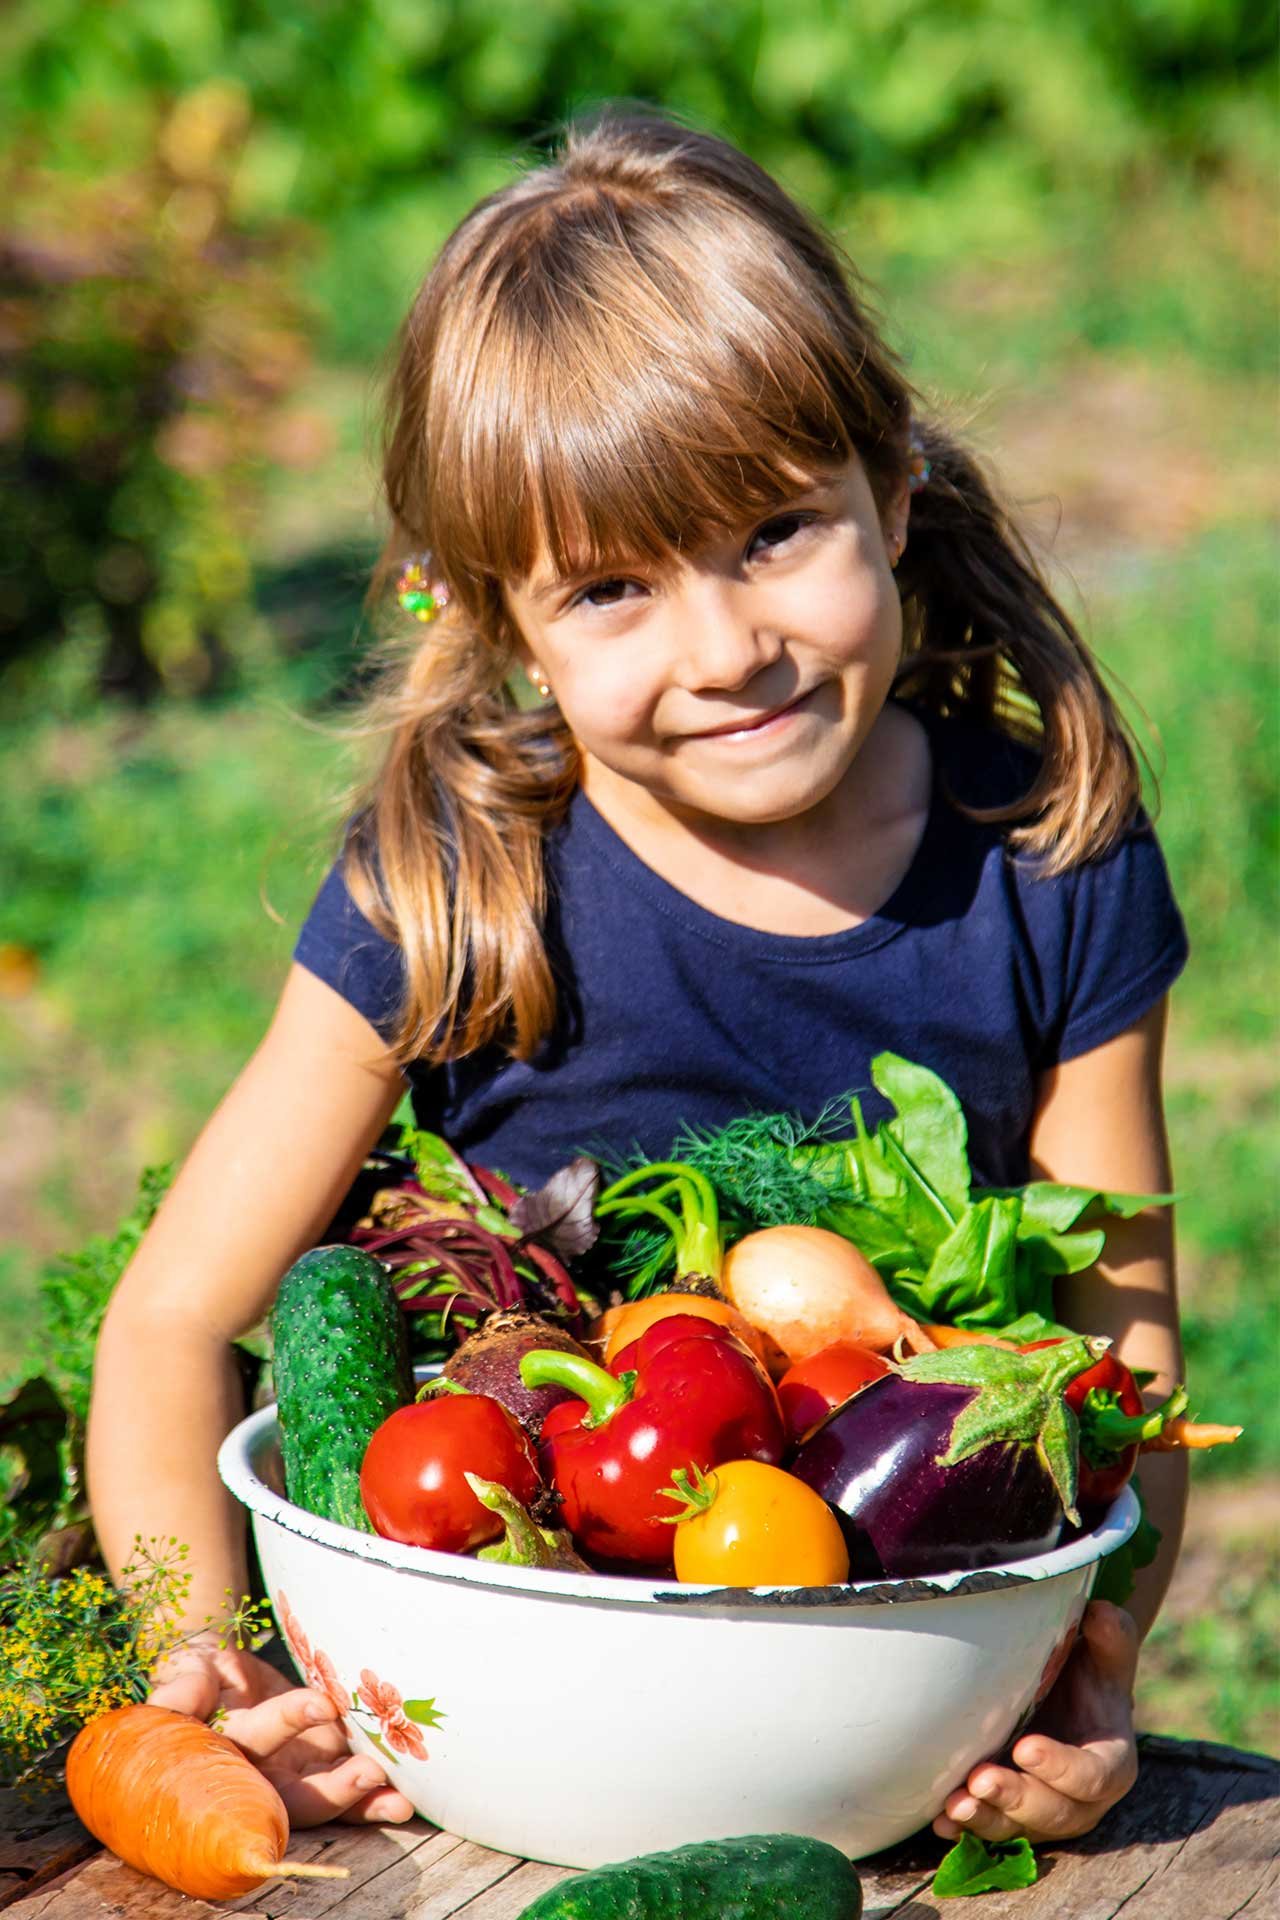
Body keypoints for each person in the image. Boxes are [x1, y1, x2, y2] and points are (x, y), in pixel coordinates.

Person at [86, 107, 1188, 1846]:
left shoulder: (1051, 859)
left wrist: (1086, 1666)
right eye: (610, 589)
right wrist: (206, 1663)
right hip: (505, 1706)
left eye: (774, 534)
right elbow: (168, 1324)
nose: (726, 650)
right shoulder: (463, 891)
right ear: (504, 624)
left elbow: (1123, 1357)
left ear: (891, 493)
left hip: (882, 1707)